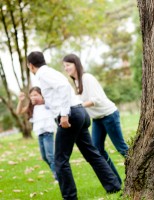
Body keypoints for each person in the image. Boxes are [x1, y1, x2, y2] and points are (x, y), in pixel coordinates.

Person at [27, 51, 121, 200]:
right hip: (79, 112)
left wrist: (64, 115)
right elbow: (59, 95)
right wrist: (43, 101)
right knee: (91, 153)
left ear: (31, 66)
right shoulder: (51, 71)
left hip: (70, 115)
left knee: (60, 160)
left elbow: (64, 88)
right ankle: (114, 186)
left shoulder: (43, 74)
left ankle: (70, 197)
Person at [62, 53, 129, 185]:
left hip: (109, 115)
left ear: (76, 64)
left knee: (121, 147)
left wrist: (78, 106)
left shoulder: (87, 78)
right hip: (97, 119)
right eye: (64, 66)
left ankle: (141, 172)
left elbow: (96, 99)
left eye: (68, 65)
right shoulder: (76, 82)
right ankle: (116, 181)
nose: (66, 68)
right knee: (98, 150)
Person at [16, 87, 57, 181]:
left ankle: (58, 177)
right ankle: (57, 173)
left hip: (48, 132)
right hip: (40, 134)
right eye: (31, 95)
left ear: (41, 95)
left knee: (50, 156)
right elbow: (19, 112)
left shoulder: (47, 104)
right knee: (44, 157)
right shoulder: (32, 107)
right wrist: (21, 101)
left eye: (35, 95)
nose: (33, 97)